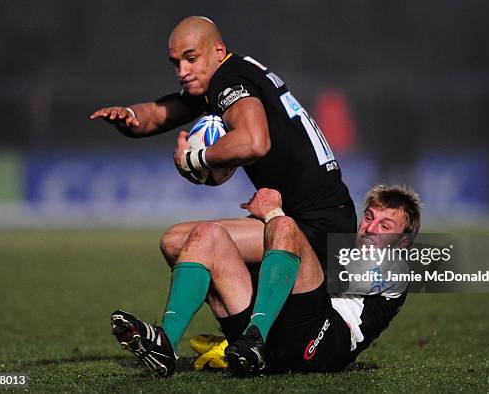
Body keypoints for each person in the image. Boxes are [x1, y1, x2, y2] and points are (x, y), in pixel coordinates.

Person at [91, 15, 356, 371]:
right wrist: (128, 115)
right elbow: (158, 114)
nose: (182, 71)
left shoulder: (230, 81)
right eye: (176, 63)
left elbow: (254, 141)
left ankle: (205, 340)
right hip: (313, 217)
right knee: (174, 241)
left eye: (190, 58)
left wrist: (197, 157)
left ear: (218, 50)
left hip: (317, 226)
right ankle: (235, 339)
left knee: (197, 240)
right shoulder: (228, 76)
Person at [110, 185, 421, 376]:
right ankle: (166, 344)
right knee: (205, 236)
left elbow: (334, 270)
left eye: (386, 224)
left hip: (323, 344)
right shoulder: (333, 244)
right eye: (369, 216)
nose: (370, 227)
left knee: (285, 228)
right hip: (271, 335)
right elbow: (175, 242)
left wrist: (272, 217)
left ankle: (255, 337)